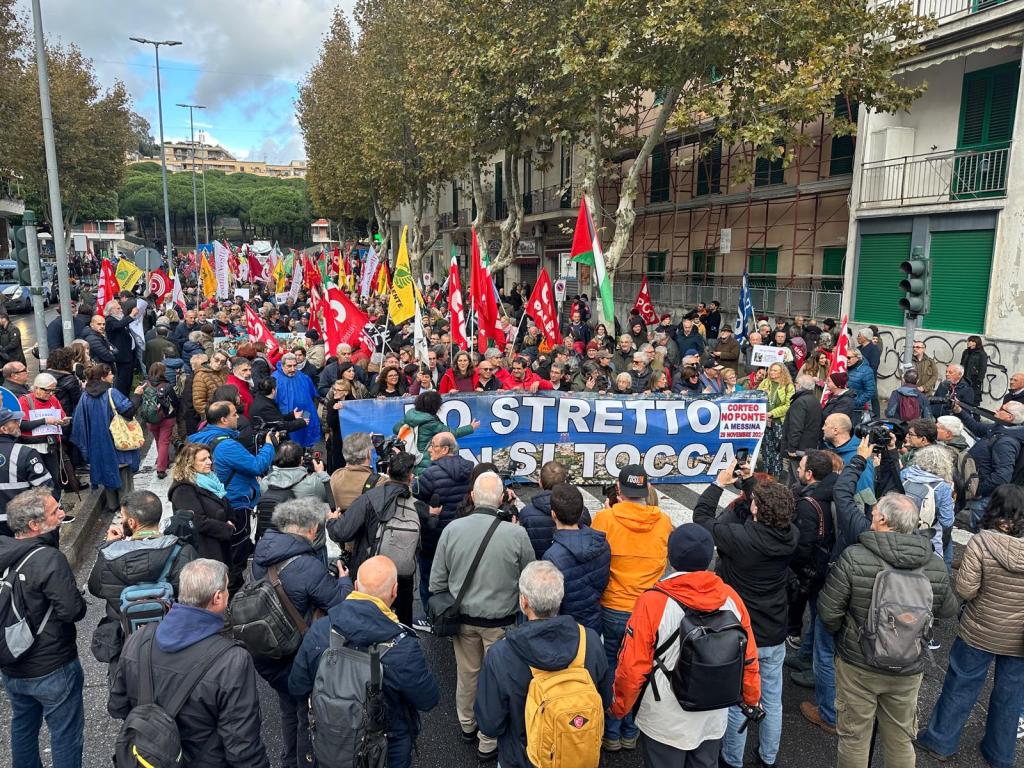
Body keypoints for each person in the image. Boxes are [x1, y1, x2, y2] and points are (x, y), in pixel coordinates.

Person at [817, 471, 957, 768]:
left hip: (859, 661)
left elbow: (829, 613)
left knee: (855, 737)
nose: (871, 515)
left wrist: (845, 637)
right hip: (909, 662)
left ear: (883, 521)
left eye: (875, 512)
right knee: (900, 738)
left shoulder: (856, 556)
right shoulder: (932, 562)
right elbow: (947, 610)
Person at [610, 524, 761, 767]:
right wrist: (752, 699)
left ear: (671, 557)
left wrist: (619, 707)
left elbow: (632, 667)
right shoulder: (730, 597)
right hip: (713, 712)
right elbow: (749, 659)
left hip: (665, 715)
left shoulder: (653, 601)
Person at [108, 559, 270, 767]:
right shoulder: (232, 661)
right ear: (218, 598)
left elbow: (117, 706)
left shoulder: (140, 639)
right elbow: (242, 747)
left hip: (148, 758)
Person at [289, 556, 439, 768]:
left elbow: (297, 687)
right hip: (385, 752)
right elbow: (428, 699)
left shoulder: (320, 631)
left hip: (328, 744)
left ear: (356, 586)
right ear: (395, 591)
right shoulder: (403, 648)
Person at [694, 465, 798, 768]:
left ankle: (732, 759)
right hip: (774, 627)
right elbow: (769, 508)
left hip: (739, 631)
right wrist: (752, 481)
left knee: (738, 700)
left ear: (754, 508)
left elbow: (701, 518)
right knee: (772, 698)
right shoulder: (790, 536)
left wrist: (718, 483)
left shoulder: (739, 538)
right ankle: (768, 757)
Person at [914, 484, 1024, 767]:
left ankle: (941, 740)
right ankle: (1000, 753)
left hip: (979, 629)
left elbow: (965, 588)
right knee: (1010, 696)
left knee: (961, 684)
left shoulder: (983, 541)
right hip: (1019, 637)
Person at [429, 471, 535, 760]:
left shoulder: (452, 529)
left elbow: (436, 582)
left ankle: (467, 724)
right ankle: (488, 738)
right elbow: (530, 579)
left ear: (473, 497)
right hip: (501, 622)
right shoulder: (517, 533)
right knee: (499, 679)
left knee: (468, 674)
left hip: (463, 620)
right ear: (502, 498)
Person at [474, 561, 612, 768]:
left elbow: (490, 723)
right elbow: (606, 699)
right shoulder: (589, 640)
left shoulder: (502, 654)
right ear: (560, 598)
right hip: (578, 754)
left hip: (523, 758)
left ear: (524, 601)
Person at [251, 498, 353, 768]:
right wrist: (343, 580)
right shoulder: (307, 565)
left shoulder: (262, 556)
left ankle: (288, 760)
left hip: (270, 649)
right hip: (297, 654)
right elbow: (338, 604)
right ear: (309, 529)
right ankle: (305, 760)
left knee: (287, 709)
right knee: (305, 712)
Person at [0, 488, 86, 768]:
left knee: (23, 726)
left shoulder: (6, 551)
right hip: (52, 664)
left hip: (11, 662)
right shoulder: (47, 559)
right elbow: (72, 611)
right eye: (55, 511)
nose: (62, 513)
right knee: (65, 734)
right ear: (35, 525)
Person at [591, 465, 673, 751]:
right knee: (641, 666)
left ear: (618, 489)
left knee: (613, 665)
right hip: (648, 609)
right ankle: (631, 729)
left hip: (613, 606)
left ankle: (611, 731)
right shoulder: (663, 521)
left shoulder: (605, 518)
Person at [87, 490, 197, 667]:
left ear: (132, 522)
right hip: (173, 638)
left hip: (127, 642)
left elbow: (95, 588)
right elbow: (195, 595)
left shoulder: (110, 556)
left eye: (122, 517)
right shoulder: (183, 551)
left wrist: (109, 545)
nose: (121, 521)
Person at [326, 450, 428, 625]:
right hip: (402, 577)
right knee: (402, 626)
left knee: (366, 622)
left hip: (370, 569)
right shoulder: (417, 505)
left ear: (388, 472)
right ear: (410, 478)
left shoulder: (370, 498)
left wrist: (332, 521)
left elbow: (341, 532)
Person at [414, 431, 475, 627]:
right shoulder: (470, 469)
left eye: (433, 445)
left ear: (446, 449)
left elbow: (418, 500)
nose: (430, 449)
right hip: (463, 533)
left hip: (434, 535)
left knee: (429, 577)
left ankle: (432, 618)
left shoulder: (430, 474)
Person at [70, 363, 142, 514]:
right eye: (110, 374)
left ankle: (112, 505)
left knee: (107, 473)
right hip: (117, 441)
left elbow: (79, 422)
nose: (113, 376)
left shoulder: (85, 396)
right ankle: (127, 508)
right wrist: (137, 395)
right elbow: (128, 411)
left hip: (97, 444)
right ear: (103, 377)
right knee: (124, 476)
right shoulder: (111, 393)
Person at [542, 483, 610, 633]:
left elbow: (552, 603)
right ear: (581, 513)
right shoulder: (602, 543)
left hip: (567, 629)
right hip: (594, 622)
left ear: (553, 514)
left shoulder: (552, 557)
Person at [954, 399, 1024, 529]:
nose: (997, 410)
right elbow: (977, 427)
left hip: (985, 498)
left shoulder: (1006, 442)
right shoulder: (1001, 428)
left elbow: (1002, 476)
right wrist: (960, 411)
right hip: (982, 494)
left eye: (1002, 410)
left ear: (1010, 417)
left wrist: (978, 490)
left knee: (983, 534)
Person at [258, 440, 331, 540]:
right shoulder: (314, 483)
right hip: (309, 545)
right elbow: (331, 496)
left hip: (275, 543)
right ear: (301, 460)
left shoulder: (265, 483)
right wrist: (321, 473)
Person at [392, 390, 478, 474]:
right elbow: (450, 433)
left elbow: (395, 429)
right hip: (424, 461)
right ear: (435, 406)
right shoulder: (431, 422)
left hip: (411, 459)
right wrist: (470, 428)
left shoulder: (411, 416)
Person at [518, 460, 591, 559]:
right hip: (572, 564)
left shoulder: (526, 513)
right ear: (565, 481)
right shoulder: (581, 511)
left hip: (538, 567)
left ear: (540, 482)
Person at [16, 373, 68, 501]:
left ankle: (56, 506)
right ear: (37, 388)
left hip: (50, 444)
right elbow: (22, 425)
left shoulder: (53, 400)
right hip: (32, 446)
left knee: (54, 478)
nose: (51, 394)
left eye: (53, 390)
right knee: (37, 480)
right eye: (48, 390)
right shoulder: (25, 400)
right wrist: (44, 420)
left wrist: (64, 421)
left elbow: (62, 415)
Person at [271, 353, 322, 448]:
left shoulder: (302, 376)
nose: (293, 369)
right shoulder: (275, 379)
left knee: (307, 438)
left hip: (305, 413)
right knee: (291, 447)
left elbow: (311, 394)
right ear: (282, 365)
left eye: (295, 365)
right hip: (288, 419)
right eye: (289, 366)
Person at [140, 362, 179, 479]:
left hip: (150, 418)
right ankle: (161, 468)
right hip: (166, 418)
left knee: (158, 441)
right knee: (164, 442)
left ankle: (164, 461)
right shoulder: (166, 386)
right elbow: (175, 402)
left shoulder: (144, 384)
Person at [782, 374, 823, 482]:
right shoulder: (815, 400)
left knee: (799, 477)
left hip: (798, 449)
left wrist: (792, 448)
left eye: (796, 383)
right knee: (792, 477)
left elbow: (796, 427)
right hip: (809, 446)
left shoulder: (800, 402)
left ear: (799, 385)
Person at [329, 431, 384, 512]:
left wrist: (362, 443)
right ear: (368, 454)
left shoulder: (336, 475)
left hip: (341, 522)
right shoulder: (380, 482)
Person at [759, 362, 794, 478]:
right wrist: (761, 394)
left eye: (775, 370)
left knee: (777, 450)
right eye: (771, 370)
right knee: (766, 448)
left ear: (782, 372)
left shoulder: (789, 386)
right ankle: (765, 474)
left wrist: (772, 413)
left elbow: (788, 406)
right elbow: (755, 398)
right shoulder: (765, 382)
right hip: (764, 421)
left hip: (779, 423)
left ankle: (776, 475)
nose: (772, 372)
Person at [192, 350, 230, 418]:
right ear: (211, 358)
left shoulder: (224, 371)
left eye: (222, 362)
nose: (218, 363)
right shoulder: (200, 375)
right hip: (213, 415)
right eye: (216, 360)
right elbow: (199, 402)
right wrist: (212, 415)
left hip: (225, 411)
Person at [844, 347, 875, 417]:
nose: (846, 360)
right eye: (844, 357)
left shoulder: (866, 371)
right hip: (844, 406)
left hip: (858, 410)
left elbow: (870, 391)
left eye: (848, 358)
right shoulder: (843, 368)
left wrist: (856, 402)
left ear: (857, 358)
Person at [960, 334, 987, 406]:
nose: (969, 342)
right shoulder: (966, 352)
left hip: (974, 381)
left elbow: (983, 369)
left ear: (976, 342)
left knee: (974, 401)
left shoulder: (981, 354)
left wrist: (979, 381)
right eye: (968, 341)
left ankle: (975, 416)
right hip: (964, 379)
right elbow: (961, 364)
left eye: (971, 341)